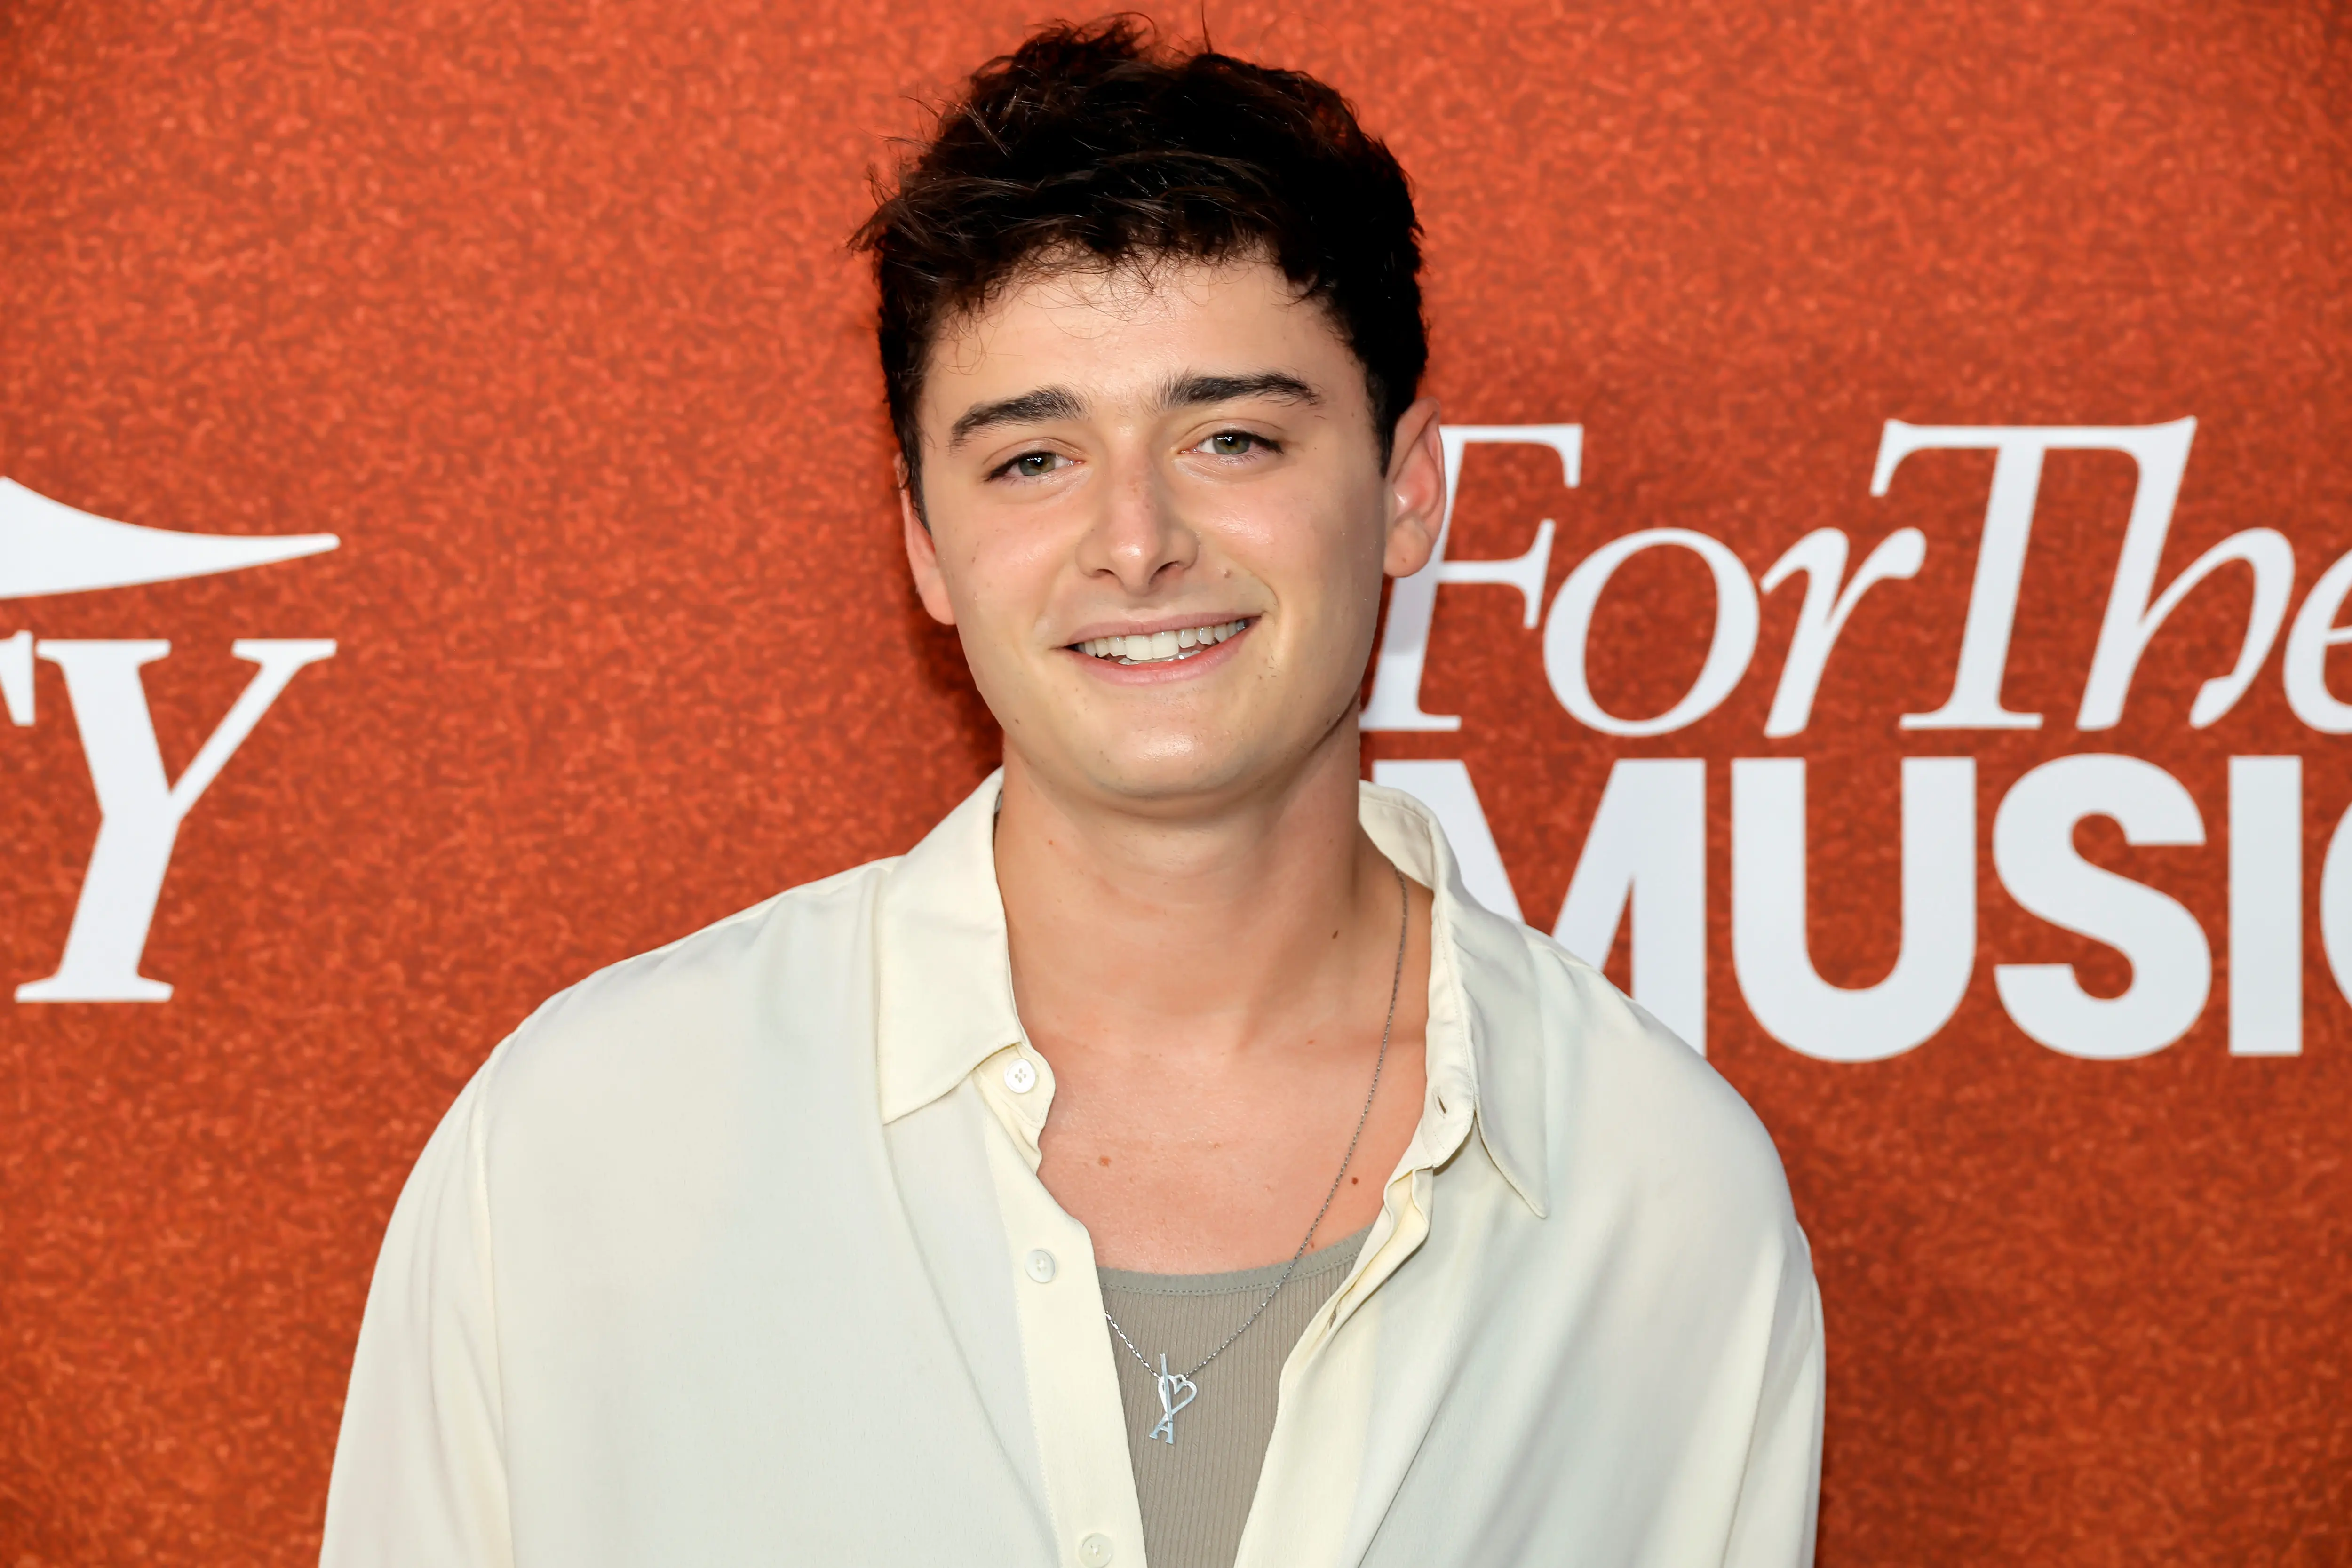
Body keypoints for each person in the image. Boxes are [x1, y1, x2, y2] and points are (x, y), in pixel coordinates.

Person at [320, 19, 1823, 1568]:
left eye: (1231, 435)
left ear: (1407, 487)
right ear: (923, 542)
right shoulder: (583, 1149)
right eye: (1032, 459)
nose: (1137, 538)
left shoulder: (1662, 1200)